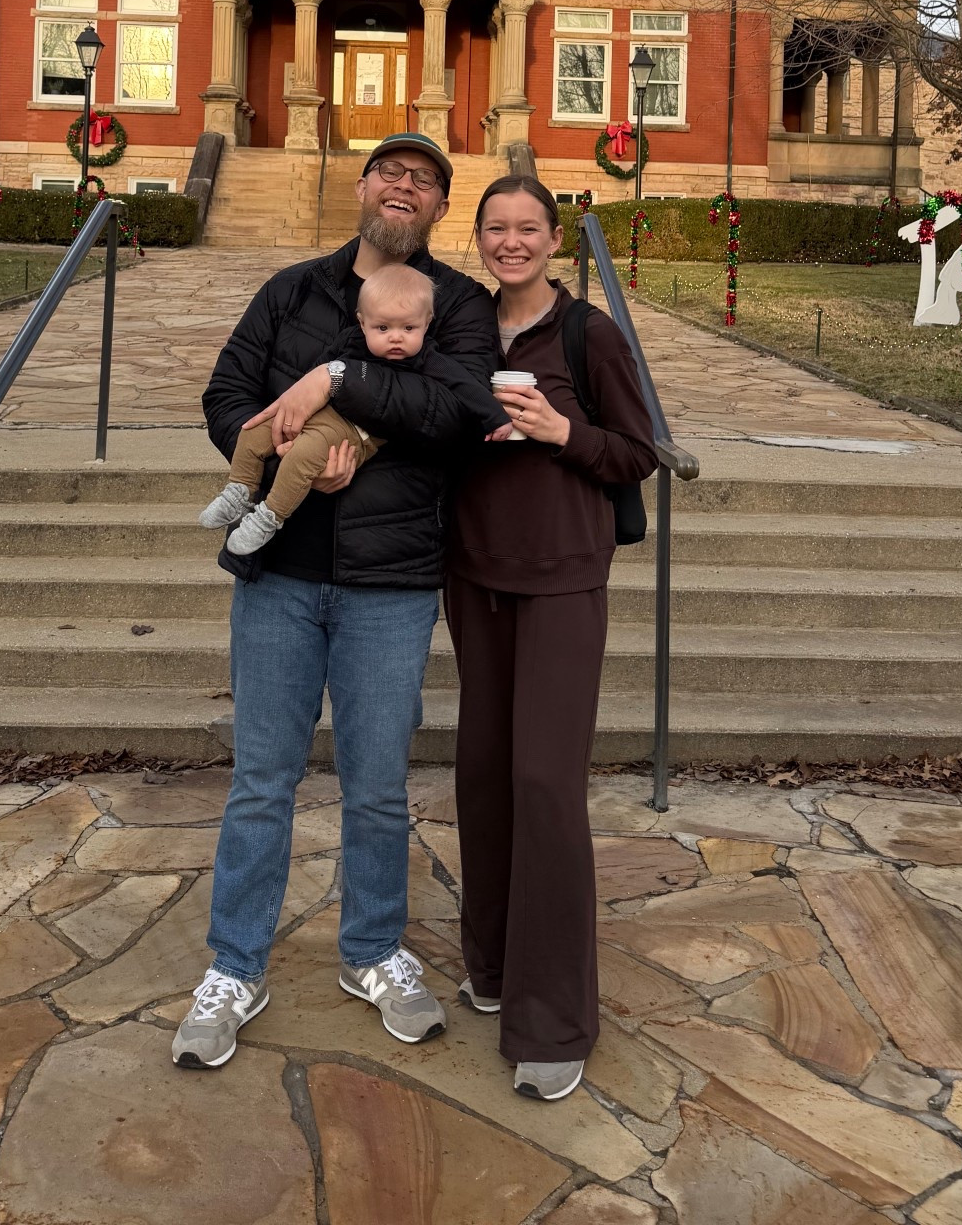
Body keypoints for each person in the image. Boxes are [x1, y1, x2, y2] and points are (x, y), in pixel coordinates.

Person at [172, 135, 500, 1071]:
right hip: (279, 573)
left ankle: (372, 952)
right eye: (390, 173)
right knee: (262, 780)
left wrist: (344, 380)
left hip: (392, 581)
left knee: (377, 787)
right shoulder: (292, 292)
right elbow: (226, 393)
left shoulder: (459, 304)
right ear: (362, 189)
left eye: (424, 180)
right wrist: (289, 453)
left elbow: (460, 412)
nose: (404, 187)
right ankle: (235, 965)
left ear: (439, 206)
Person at [446, 175, 655, 1102]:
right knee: (484, 770)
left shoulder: (589, 333)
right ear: (479, 237)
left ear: (554, 236)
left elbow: (636, 451)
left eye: (527, 228)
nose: (511, 242)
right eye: (496, 228)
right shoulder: (460, 327)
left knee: (545, 782)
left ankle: (554, 1018)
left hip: (566, 574)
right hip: (473, 572)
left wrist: (560, 430)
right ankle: (492, 967)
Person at [200, 264, 510, 557]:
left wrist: (495, 417)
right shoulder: (350, 340)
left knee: (304, 454)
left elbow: (467, 387)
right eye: (383, 327)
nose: (396, 337)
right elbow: (316, 370)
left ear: (427, 323)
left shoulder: (428, 358)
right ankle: (238, 490)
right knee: (254, 431)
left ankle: (269, 516)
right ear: (362, 322)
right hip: (319, 414)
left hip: (355, 431)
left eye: (409, 327)